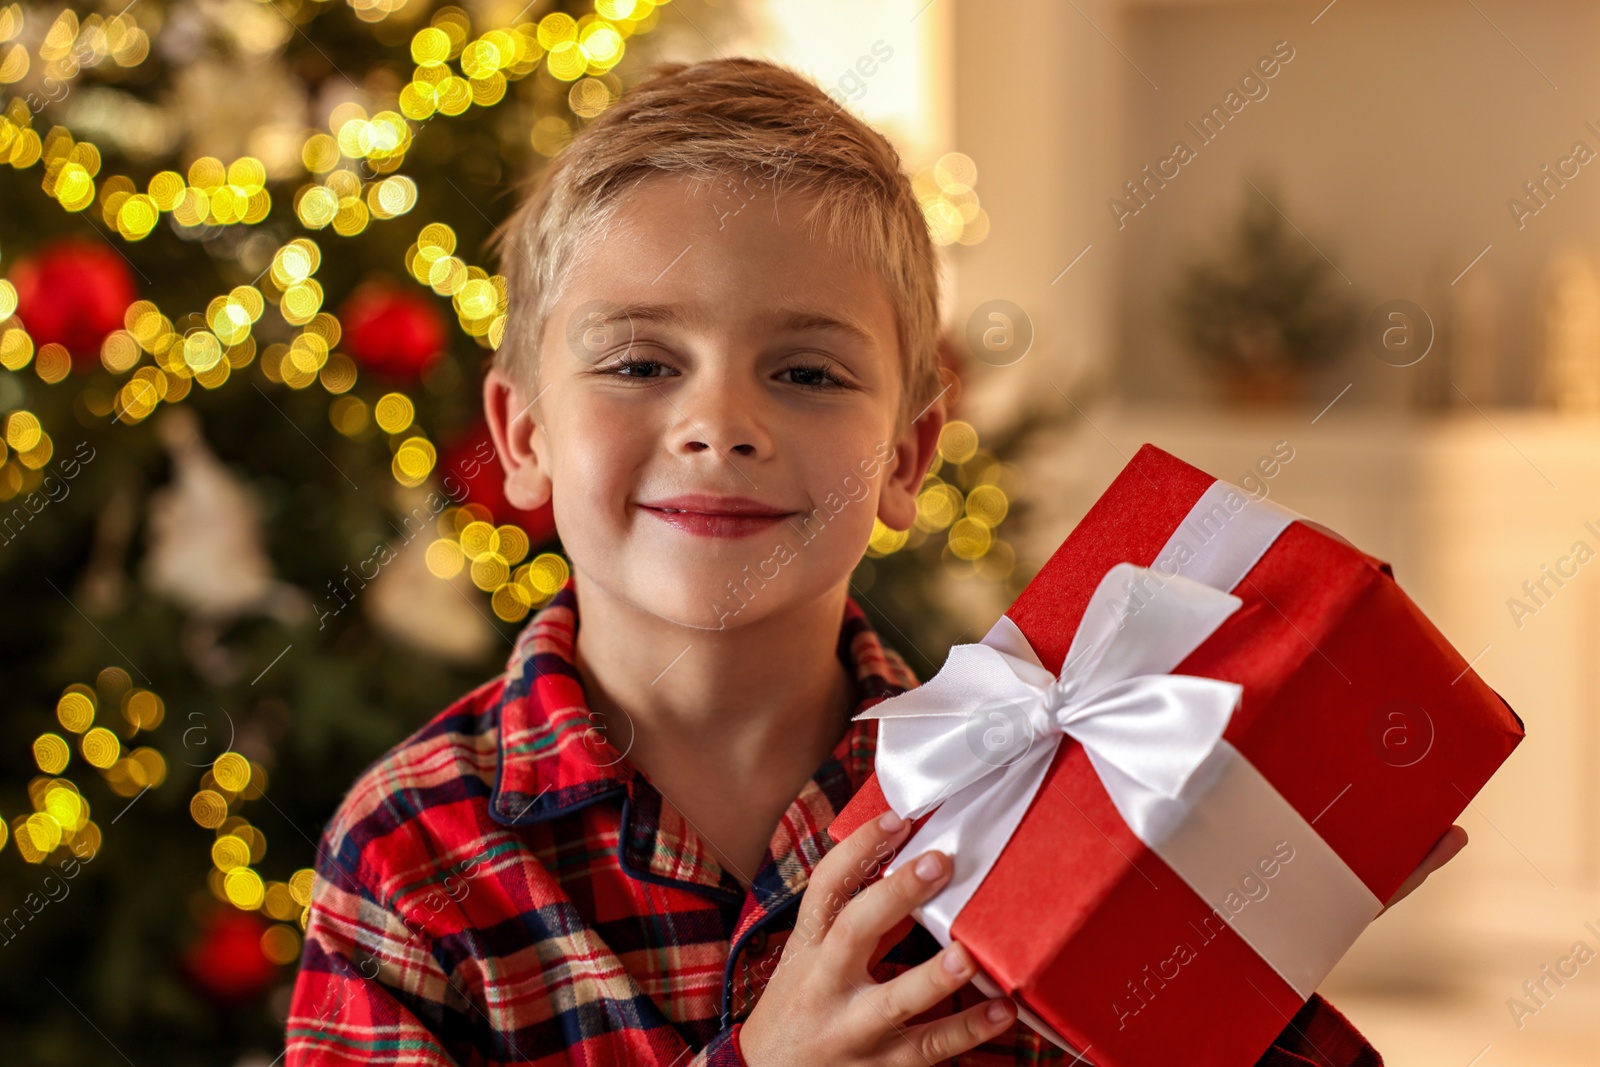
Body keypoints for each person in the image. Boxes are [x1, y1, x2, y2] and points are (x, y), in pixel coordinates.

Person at [284, 56, 1465, 1065]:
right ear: (523, 438)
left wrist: (1262, 924)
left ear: (906, 459)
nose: (719, 422)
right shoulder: (410, 850)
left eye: (805, 372)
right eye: (641, 362)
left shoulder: (1035, 799)